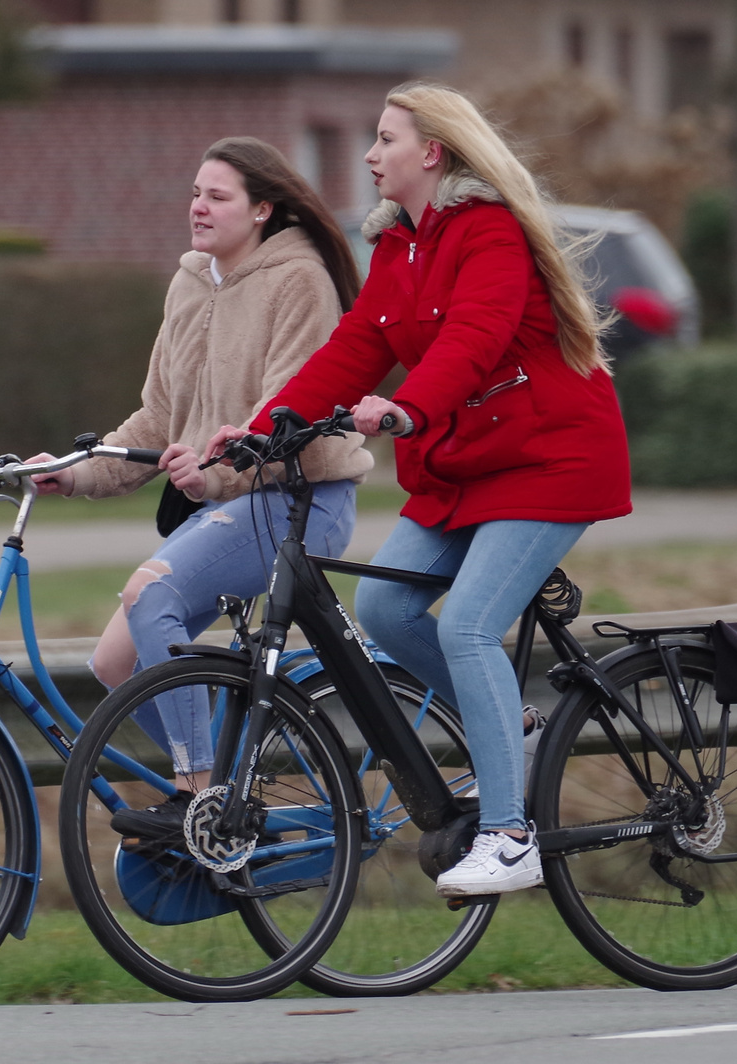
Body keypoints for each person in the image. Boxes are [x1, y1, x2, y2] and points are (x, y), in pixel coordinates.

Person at [209, 83, 632, 897]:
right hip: (468, 464)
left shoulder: (489, 232)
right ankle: (514, 728)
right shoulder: (397, 250)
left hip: (547, 459)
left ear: (430, 152)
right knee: (384, 610)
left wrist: (407, 407)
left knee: (471, 624)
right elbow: (349, 350)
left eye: (384, 139)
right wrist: (260, 428)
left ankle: (511, 838)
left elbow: (474, 337)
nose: (369, 155)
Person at [28, 136, 373, 840]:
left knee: (148, 592)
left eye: (217, 196)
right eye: (194, 193)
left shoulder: (297, 279)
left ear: (261, 210)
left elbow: (291, 413)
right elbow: (159, 417)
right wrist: (77, 470)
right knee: (113, 660)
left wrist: (216, 471)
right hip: (230, 505)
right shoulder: (190, 280)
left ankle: (200, 800)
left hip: (299, 502)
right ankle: (229, 794)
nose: (198, 207)